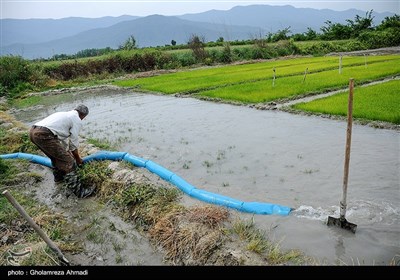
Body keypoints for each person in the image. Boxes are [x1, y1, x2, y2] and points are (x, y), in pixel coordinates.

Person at [29, 104, 95, 198]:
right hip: (44, 135)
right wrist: (77, 158)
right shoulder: (76, 119)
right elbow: (73, 141)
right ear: (83, 115)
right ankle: (80, 192)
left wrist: (66, 152)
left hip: (33, 132)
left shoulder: (64, 115)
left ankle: (59, 178)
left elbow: (62, 139)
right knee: (69, 161)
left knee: (55, 157)